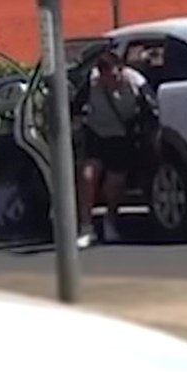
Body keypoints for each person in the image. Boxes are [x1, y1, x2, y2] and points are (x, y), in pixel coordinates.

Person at [78, 50, 155, 244]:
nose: (113, 79)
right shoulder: (91, 83)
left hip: (122, 136)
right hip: (97, 132)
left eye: (115, 74)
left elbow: (151, 110)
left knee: (114, 182)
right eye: (108, 76)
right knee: (88, 176)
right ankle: (86, 226)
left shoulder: (135, 82)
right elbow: (75, 106)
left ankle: (110, 219)